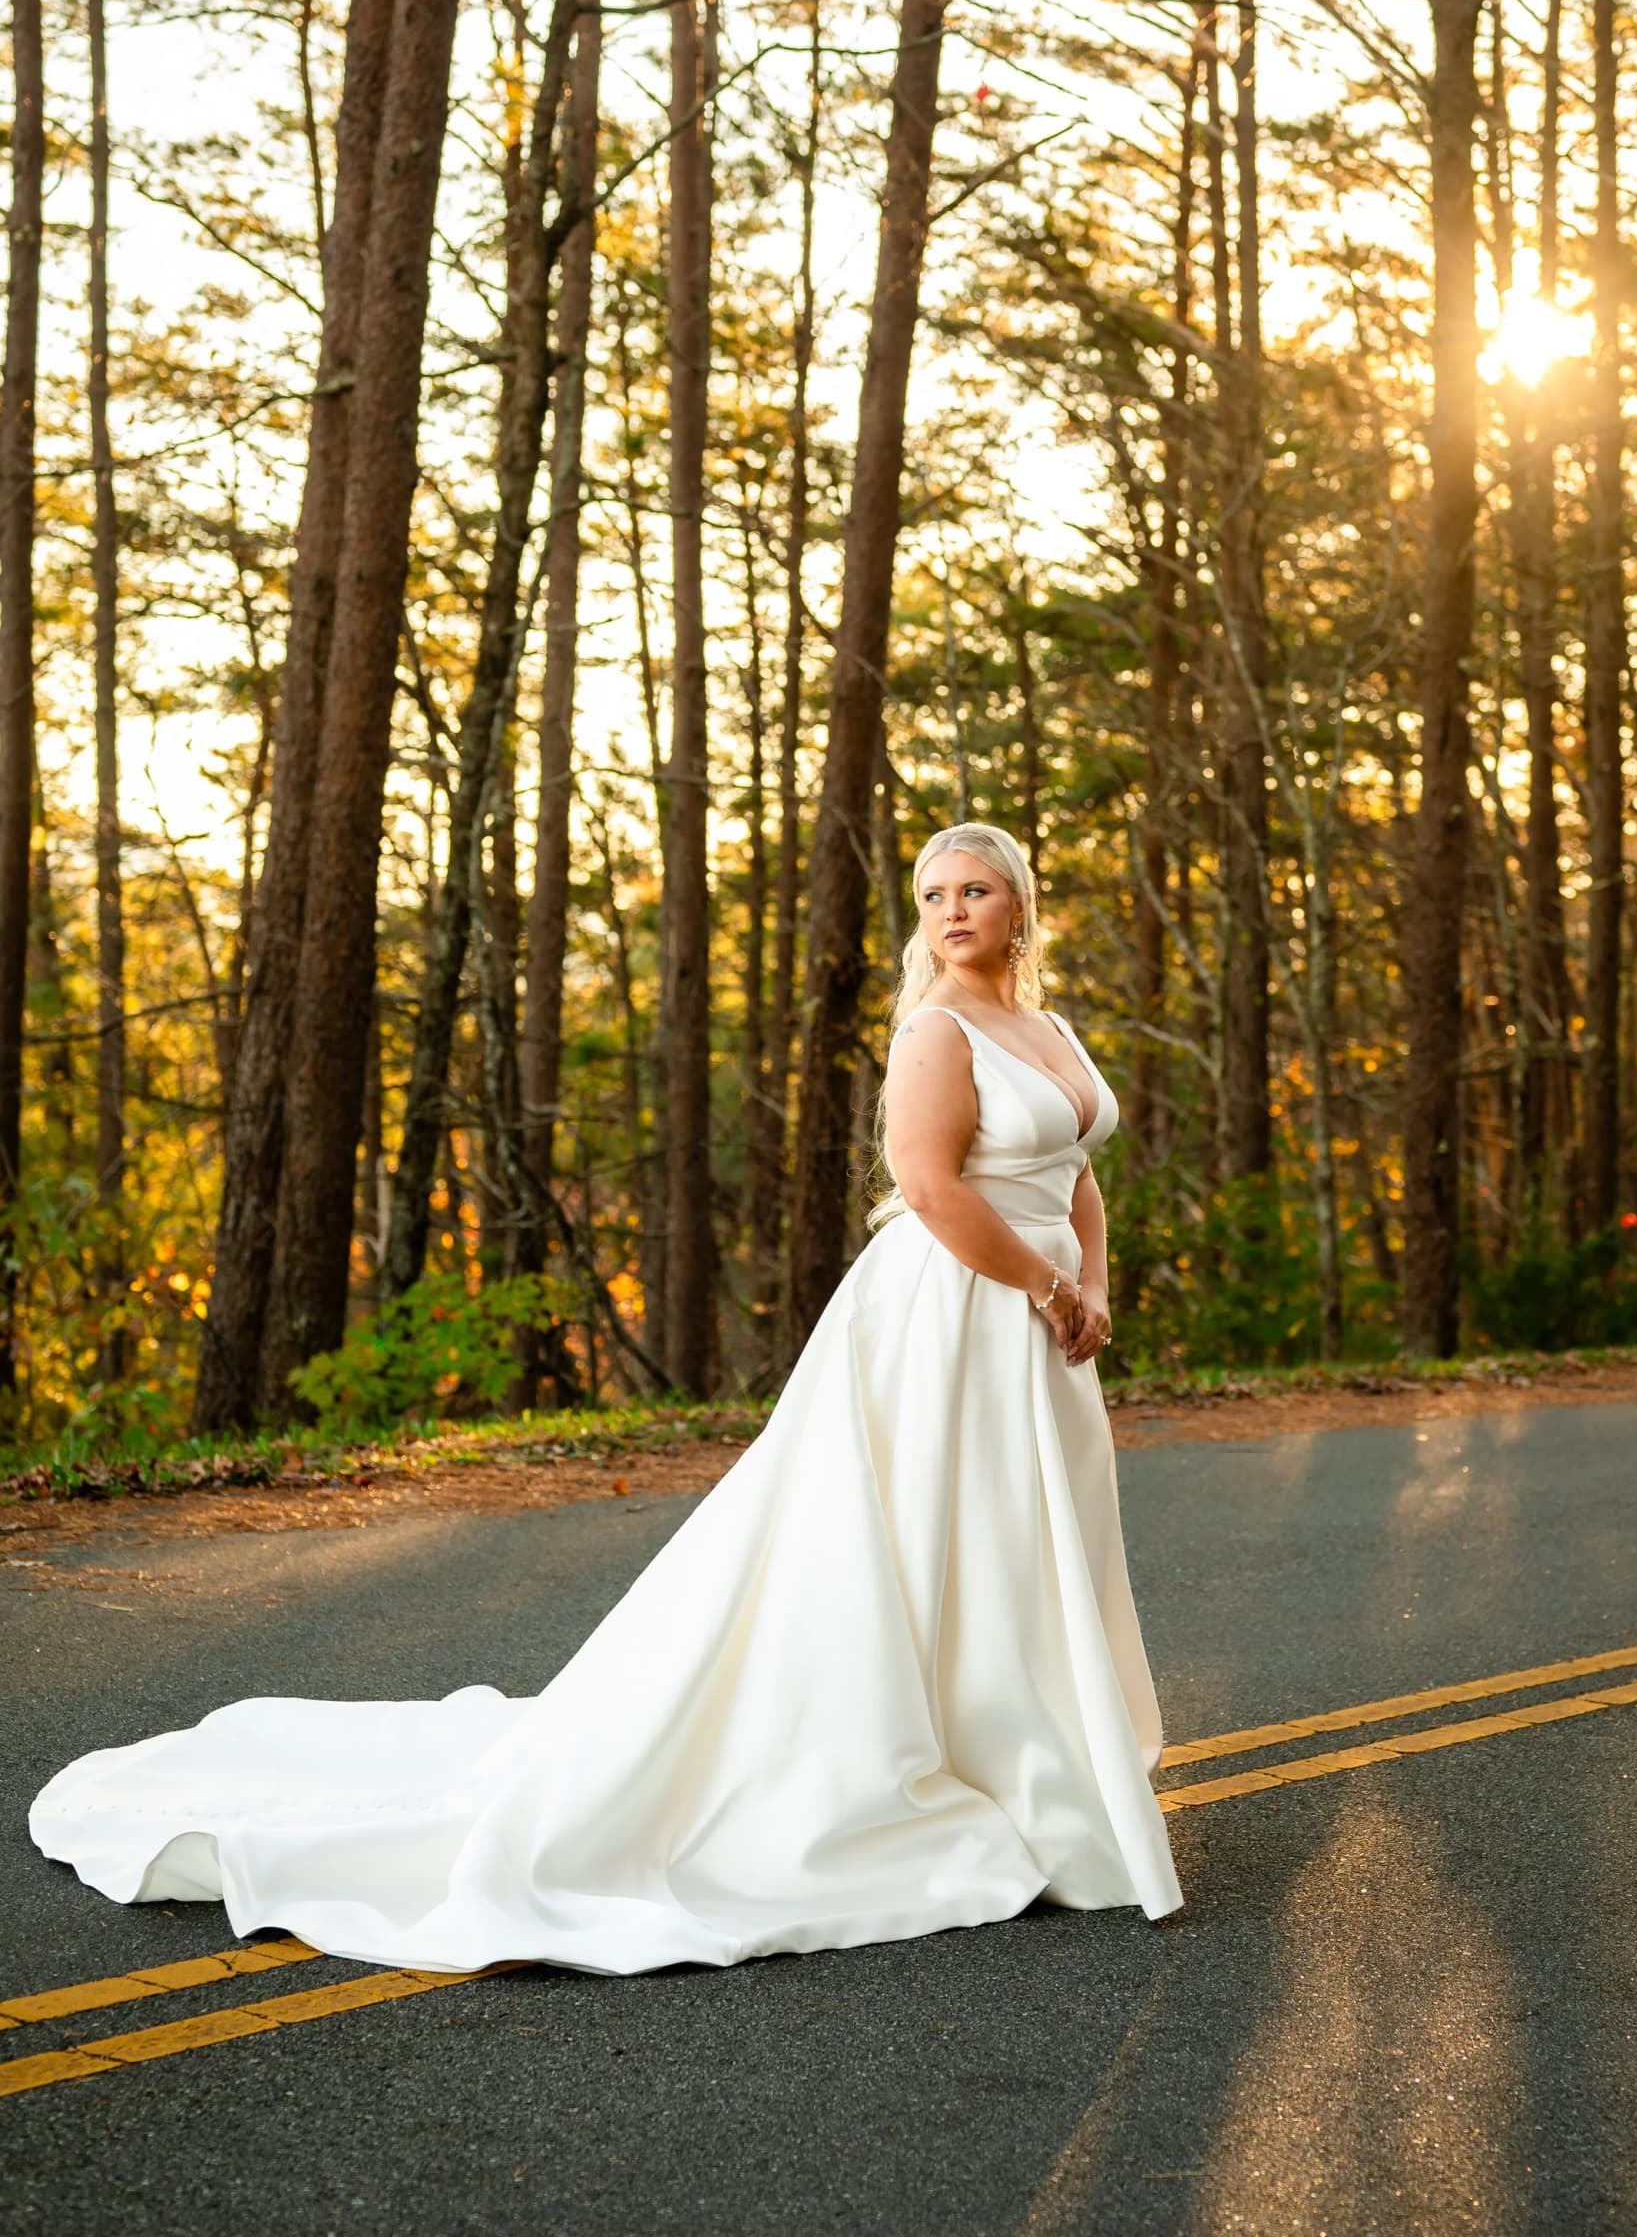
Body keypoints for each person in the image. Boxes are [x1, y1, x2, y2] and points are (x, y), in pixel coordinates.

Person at [30, 821, 1182, 1973]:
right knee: (945, 1537)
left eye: (977, 890)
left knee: (1032, 1543)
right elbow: (929, 1186)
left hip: (1043, 1320)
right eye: (934, 894)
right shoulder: (936, 1032)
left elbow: (1077, 1172)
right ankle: (933, 1769)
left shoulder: (1050, 1028)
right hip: (956, 1315)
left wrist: (1093, 1286)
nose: (953, 912)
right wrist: (1043, 1286)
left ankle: (1036, 1760)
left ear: (1021, 906)